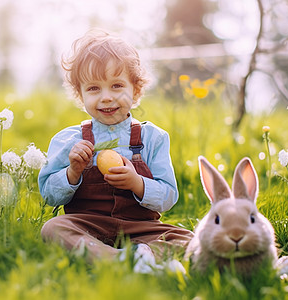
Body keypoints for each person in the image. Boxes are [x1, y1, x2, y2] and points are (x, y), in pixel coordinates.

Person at [38, 29, 193, 274]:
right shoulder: (69, 140)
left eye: (117, 85)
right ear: (80, 95)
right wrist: (73, 171)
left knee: (190, 240)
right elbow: (49, 195)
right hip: (88, 225)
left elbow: (168, 196)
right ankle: (124, 262)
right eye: (94, 89)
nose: (107, 97)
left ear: (136, 90)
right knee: (53, 228)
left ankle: (142, 254)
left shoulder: (153, 138)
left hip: (140, 227)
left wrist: (136, 183)